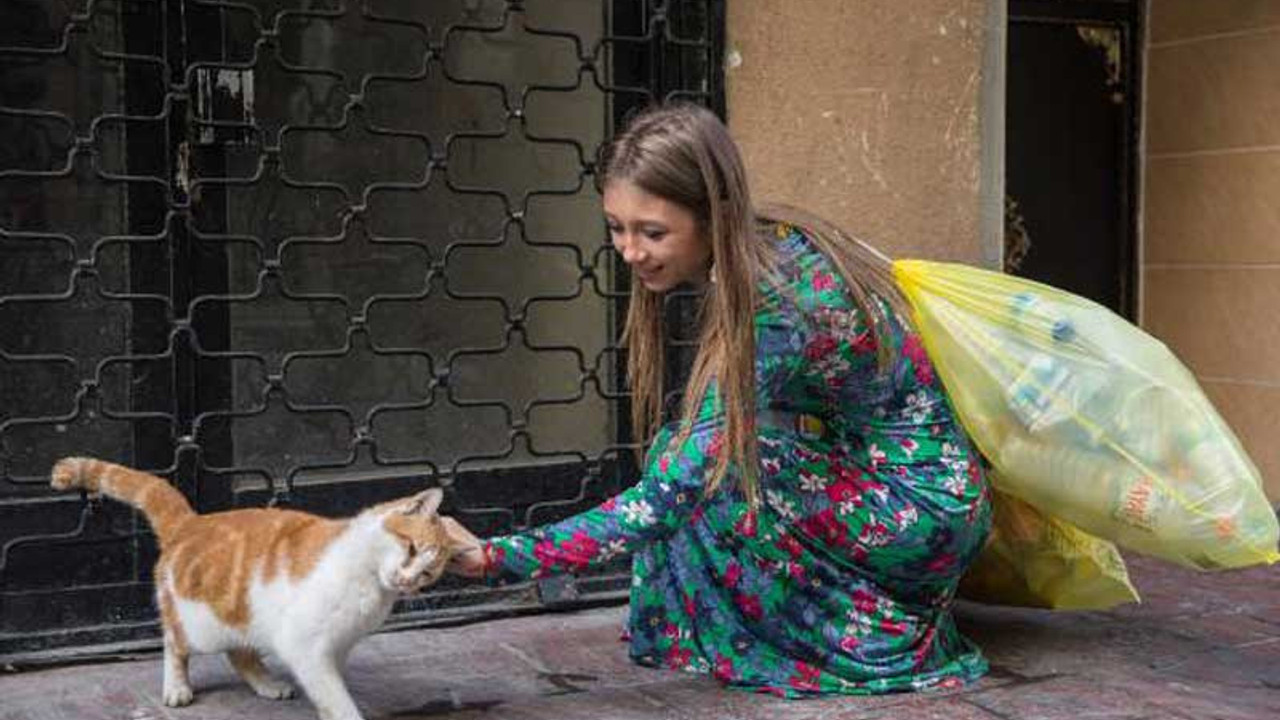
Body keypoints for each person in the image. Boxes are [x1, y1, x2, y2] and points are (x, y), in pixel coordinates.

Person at [447, 102, 992, 697]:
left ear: (714, 217)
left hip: (922, 512)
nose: (629, 251)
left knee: (704, 475)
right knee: (688, 453)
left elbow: (667, 498)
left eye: (652, 232)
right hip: (907, 493)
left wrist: (494, 558)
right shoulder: (767, 241)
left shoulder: (779, 302)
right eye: (617, 227)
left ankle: (863, 637)